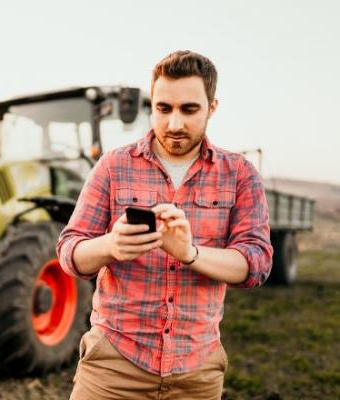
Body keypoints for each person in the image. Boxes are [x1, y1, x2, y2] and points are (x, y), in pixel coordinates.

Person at [56, 50, 273, 400]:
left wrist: (190, 253)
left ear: (212, 107)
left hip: (196, 373)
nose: (173, 124)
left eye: (189, 110)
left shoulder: (240, 174)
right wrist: (109, 246)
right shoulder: (113, 166)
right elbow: (69, 252)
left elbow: (256, 264)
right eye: (163, 109)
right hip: (113, 365)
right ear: (152, 105)